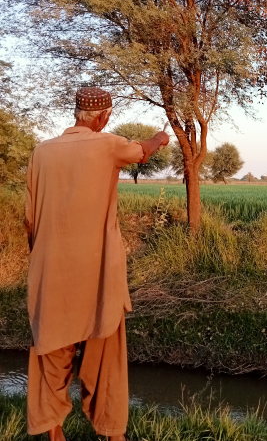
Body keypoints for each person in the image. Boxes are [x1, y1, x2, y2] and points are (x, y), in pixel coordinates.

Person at [24, 87, 169, 441]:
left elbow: (30, 219)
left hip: (51, 274)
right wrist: (160, 137)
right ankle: (111, 433)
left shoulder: (40, 152)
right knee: (106, 357)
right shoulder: (107, 144)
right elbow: (141, 152)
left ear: (76, 114)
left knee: (50, 357)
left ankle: (54, 433)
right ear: (104, 117)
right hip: (97, 275)